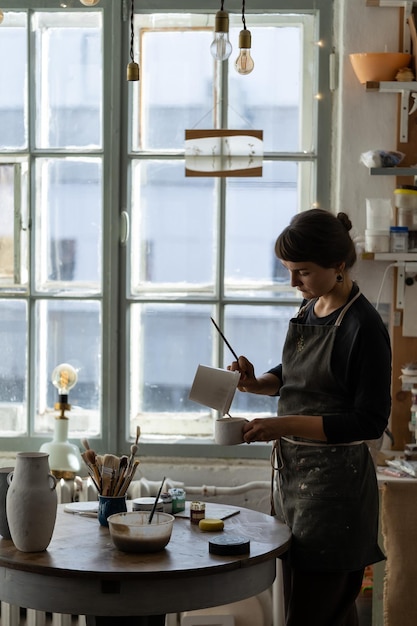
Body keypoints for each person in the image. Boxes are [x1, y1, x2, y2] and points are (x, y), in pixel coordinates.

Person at [228, 209, 391, 626]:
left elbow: (367, 422)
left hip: (336, 494)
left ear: (338, 266)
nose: (293, 282)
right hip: (294, 484)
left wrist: (280, 425)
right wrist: (254, 382)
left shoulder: (364, 327)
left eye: (301, 272)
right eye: (288, 271)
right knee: (308, 608)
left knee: (316, 613)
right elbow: (294, 376)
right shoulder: (310, 309)